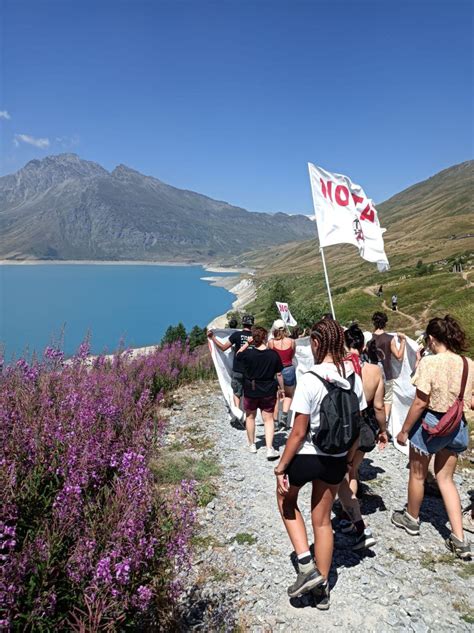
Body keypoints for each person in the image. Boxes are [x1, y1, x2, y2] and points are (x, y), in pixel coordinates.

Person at [274, 318, 367, 609]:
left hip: (307, 457)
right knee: (323, 521)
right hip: (336, 460)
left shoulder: (310, 379)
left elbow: (298, 432)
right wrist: (350, 460)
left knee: (285, 501)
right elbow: (357, 425)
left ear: (316, 343)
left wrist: (280, 467)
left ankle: (305, 565)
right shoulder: (353, 378)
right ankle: (322, 590)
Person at [392, 315, 473, 560]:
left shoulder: (430, 363)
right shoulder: (468, 363)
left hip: (431, 424)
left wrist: (404, 430)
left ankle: (412, 518)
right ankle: (459, 537)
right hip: (457, 425)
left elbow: (420, 402)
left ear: (431, 338)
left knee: (418, 474)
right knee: (446, 479)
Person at [336, 324, 388, 550]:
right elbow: (378, 406)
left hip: (343, 424)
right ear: (363, 345)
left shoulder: (338, 367)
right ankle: (350, 516)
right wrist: (383, 430)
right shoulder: (375, 370)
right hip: (365, 425)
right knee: (353, 469)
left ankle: (347, 513)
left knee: (341, 469)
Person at [238, 326, 284, 460]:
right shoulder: (273, 354)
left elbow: (238, 355)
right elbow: (279, 374)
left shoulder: (248, 354)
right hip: (268, 389)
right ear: (265, 338)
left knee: (250, 417)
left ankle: (252, 445)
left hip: (251, 389)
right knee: (268, 419)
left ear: (253, 339)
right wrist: (281, 389)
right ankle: (270, 449)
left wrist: (247, 343)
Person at [207, 314, 254, 410]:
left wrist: (213, 338)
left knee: (237, 393)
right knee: (250, 394)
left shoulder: (236, 335)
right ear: (252, 324)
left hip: (238, 369)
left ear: (243, 323)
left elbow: (223, 348)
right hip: (252, 371)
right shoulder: (255, 337)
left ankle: (238, 414)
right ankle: (250, 414)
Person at [371, 311, 406, 421]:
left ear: (374, 323)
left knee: (374, 400)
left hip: (372, 375)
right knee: (387, 399)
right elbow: (399, 357)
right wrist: (403, 341)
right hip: (387, 374)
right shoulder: (389, 338)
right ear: (385, 323)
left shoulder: (369, 338)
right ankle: (385, 421)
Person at [268, 319, 296, 429]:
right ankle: (284, 416)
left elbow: (269, 356)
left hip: (275, 371)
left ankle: (274, 422)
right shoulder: (292, 341)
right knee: (289, 395)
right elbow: (292, 355)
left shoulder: (271, 342)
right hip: (289, 369)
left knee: (275, 396)